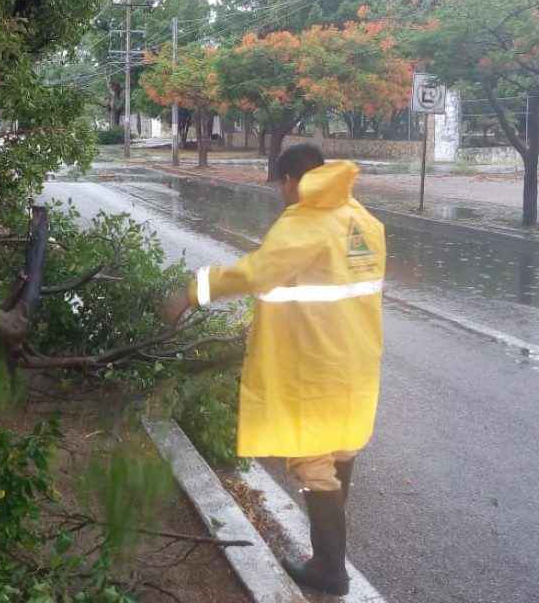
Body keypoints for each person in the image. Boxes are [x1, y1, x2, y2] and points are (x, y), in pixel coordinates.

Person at [161, 143, 386, 596]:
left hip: (314, 363)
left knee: (310, 459)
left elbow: (258, 273)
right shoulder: (361, 217)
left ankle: (328, 568)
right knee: (341, 448)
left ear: (289, 181)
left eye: (280, 187)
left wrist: (193, 291)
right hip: (358, 361)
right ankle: (330, 557)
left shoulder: (306, 220)